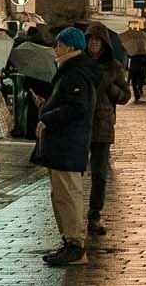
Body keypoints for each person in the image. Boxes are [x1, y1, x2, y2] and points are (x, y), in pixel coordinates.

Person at [32, 27, 98, 265]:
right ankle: (70, 242)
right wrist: (46, 104)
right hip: (63, 145)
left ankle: (76, 246)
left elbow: (77, 107)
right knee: (61, 196)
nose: (55, 49)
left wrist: (48, 117)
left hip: (68, 144)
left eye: (58, 45)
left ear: (70, 47)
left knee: (69, 195)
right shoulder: (69, 71)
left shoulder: (76, 73)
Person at [83, 27, 132, 237]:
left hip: (102, 124)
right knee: (75, 173)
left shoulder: (114, 67)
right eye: (90, 39)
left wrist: (111, 89)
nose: (94, 43)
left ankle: (94, 215)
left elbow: (125, 96)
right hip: (80, 123)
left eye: (98, 40)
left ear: (104, 43)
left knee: (99, 174)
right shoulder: (80, 64)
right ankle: (76, 215)